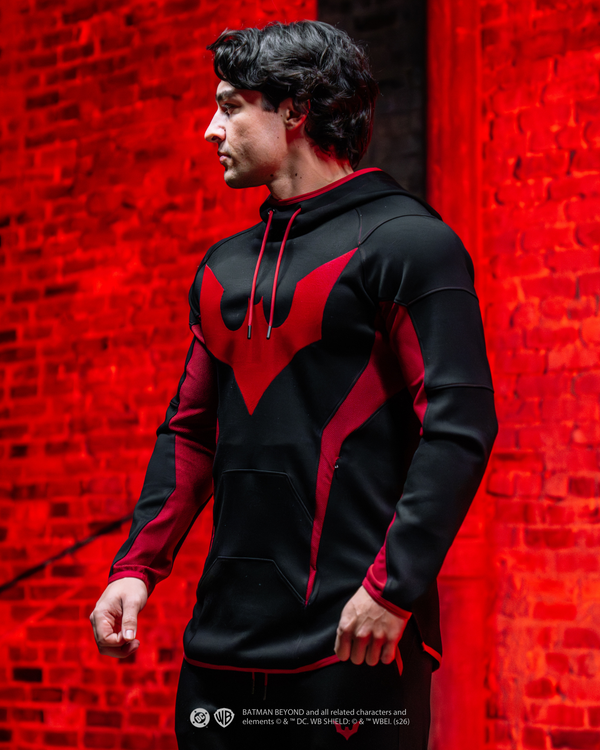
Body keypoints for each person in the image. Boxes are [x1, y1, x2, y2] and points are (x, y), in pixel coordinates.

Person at [89, 20, 497, 749]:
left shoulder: (410, 243)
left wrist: (393, 588)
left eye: (230, 105)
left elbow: (459, 427)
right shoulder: (222, 268)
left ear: (295, 110)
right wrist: (135, 569)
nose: (210, 128)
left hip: (354, 644)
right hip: (217, 654)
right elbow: (191, 432)